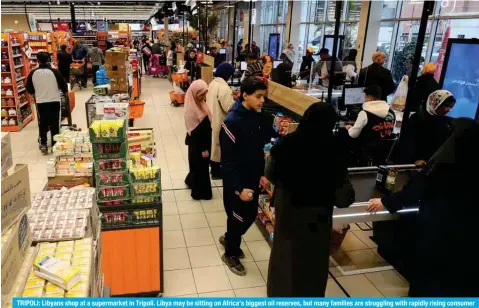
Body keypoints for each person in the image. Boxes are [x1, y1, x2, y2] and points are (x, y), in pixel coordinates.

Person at [367, 118, 479, 297]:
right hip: (467, 234)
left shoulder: (445, 162)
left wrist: (387, 202)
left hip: (439, 227)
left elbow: (420, 188)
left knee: (431, 274)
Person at [266, 103, 355, 297]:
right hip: (316, 224)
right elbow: (343, 199)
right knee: (310, 273)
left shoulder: (286, 144)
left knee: (284, 265)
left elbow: (270, 173)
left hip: (287, 217)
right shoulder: (333, 152)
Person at [220, 77, 269, 276]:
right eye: (258, 97)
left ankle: (230, 237)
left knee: (249, 216)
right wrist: (238, 188)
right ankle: (230, 253)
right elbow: (227, 161)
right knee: (237, 217)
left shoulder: (256, 116)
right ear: (245, 95)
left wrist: (263, 174)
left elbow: (258, 151)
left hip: (253, 178)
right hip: (237, 182)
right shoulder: (231, 122)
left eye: (263, 96)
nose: (262, 100)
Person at [25, 52, 68, 155]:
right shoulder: (54, 71)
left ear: (37, 61)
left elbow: (29, 89)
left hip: (41, 102)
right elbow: (64, 87)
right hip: (54, 101)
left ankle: (43, 144)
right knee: (55, 124)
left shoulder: (33, 73)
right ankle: (54, 144)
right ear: (49, 60)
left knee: (42, 123)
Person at [398, 90, 455, 164]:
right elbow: (408, 143)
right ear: (435, 102)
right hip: (415, 164)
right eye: (446, 106)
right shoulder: (417, 119)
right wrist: (414, 160)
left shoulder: (445, 121)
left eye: (451, 107)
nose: (448, 110)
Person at [184, 80, 213, 200]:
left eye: (205, 94)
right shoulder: (192, 110)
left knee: (196, 167)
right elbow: (197, 133)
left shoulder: (198, 104)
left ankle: (191, 181)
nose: (203, 97)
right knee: (200, 168)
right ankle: (200, 193)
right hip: (199, 146)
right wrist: (204, 149)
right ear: (194, 93)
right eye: (201, 94)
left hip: (198, 144)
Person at [206, 63, 236, 179]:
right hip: (219, 120)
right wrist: (237, 103)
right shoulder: (224, 87)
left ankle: (213, 170)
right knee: (217, 147)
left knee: (213, 145)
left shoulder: (213, 83)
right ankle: (216, 173)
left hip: (211, 117)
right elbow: (228, 107)